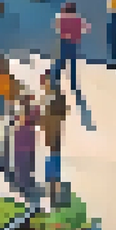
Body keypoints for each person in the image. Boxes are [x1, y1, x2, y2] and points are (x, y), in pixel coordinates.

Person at [38, 73, 68, 207]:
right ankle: (52, 192)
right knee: (51, 163)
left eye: (45, 82)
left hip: (54, 134)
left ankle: (54, 193)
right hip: (49, 135)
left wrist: (47, 119)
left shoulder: (57, 96)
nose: (44, 85)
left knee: (54, 163)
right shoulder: (47, 97)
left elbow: (61, 113)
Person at [52, 1, 89, 90]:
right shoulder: (78, 19)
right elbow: (86, 28)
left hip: (64, 41)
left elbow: (56, 27)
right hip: (73, 42)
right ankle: (73, 84)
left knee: (61, 60)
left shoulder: (62, 18)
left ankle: (56, 79)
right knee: (72, 63)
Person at [12, 95, 38, 195]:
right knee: (27, 165)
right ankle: (26, 184)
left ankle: (23, 185)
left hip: (21, 143)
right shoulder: (32, 114)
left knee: (22, 165)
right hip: (28, 143)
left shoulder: (21, 115)